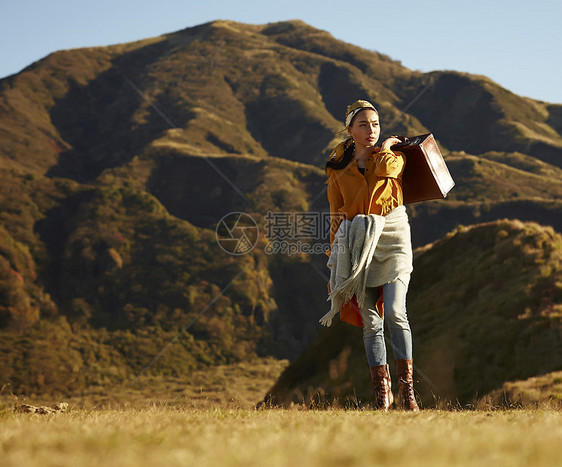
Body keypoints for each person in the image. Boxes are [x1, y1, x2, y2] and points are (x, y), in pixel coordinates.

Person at [322, 99, 419, 411]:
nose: (371, 130)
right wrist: (336, 263)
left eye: (375, 124)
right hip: (356, 245)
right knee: (371, 321)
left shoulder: (392, 158)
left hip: (393, 240)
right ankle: (382, 396)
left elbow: (384, 171)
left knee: (394, 311)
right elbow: (337, 214)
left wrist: (389, 146)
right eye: (363, 124)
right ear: (350, 130)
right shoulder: (338, 167)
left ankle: (407, 393)